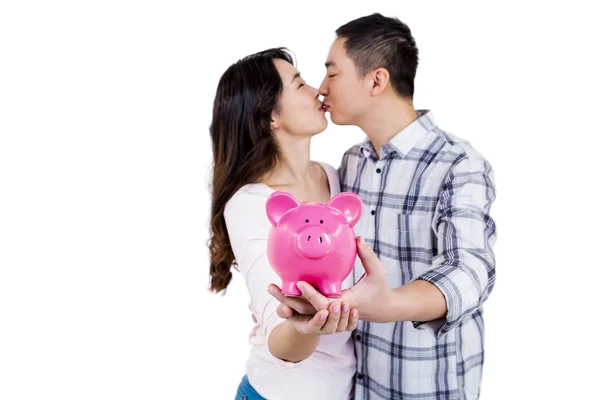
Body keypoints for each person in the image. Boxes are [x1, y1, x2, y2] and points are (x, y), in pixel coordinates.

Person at [269, 13, 498, 400]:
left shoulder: (458, 162)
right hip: (358, 384)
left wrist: (388, 304)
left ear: (376, 80)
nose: (321, 89)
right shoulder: (351, 162)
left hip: (429, 385)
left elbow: (470, 271)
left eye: (332, 73)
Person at [207, 48, 361, 400]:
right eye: (300, 84)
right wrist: (306, 320)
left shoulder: (335, 177)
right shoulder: (251, 205)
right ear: (270, 116)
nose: (318, 91)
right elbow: (283, 343)